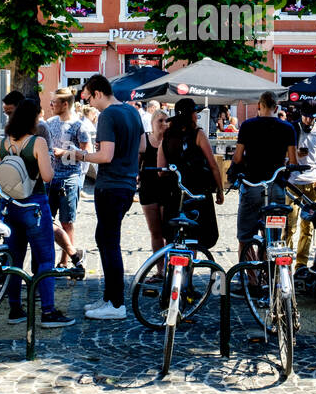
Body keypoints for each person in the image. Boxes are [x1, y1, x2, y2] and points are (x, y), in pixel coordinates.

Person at [73, 74, 145, 320]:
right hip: (125, 184)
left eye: (89, 98)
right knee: (103, 238)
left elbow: (105, 156)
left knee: (109, 242)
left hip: (111, 184)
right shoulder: (132, 112)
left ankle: (116, 304)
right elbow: (143, 146)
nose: (90, 104)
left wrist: (76, 155)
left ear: (98, 93)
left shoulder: (107, 115)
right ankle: (108, 298)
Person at [1, 98, 73, 328]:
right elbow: (48, 176)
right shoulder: (37, 142)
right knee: (45, 259)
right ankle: (48, 312)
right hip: (35, 205)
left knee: (15, 259)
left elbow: (0, 174)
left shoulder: (5, 143)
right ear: (33, 118)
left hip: (12, 206)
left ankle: (15, 309)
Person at [230, 91, 297, 265]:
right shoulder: (287, 128)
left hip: (252, 184)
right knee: (273, 237)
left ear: (259, 106)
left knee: (245, 236)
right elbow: (293, 161)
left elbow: (237, 158)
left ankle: (251, 280)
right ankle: (271, 276)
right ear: (276, 107)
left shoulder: (247, 125)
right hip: (275, 186)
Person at [158, 98, 224, 254]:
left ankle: (173, 272)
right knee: (195, 235)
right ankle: (189, 270)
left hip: (174, 191)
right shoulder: (198, 134)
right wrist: (220, 190)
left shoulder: (167, 136)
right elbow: (213, 164)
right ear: (191, 115)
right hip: (196, 191)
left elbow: (161, 170)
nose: (196, 116)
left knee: (174, 236)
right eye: (195, 113)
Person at [46, 88, 89, 269]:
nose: (51, 105)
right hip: (50, 178)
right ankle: (50, 259)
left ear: (65, 104)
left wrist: (65, 153)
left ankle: (67, 261)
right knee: (48, 220)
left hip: (70, 178)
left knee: (67, 221)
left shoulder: (79, 126)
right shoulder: (49, 123)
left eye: (54, 102)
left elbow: (86, 154)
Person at [286, 105, 316, 273]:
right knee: (290, 224)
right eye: (306, 116)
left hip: (313, 182)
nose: (308, 120)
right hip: (293, 181)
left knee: (308, 227)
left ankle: (301, 265)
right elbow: (283, 153)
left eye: (312, 117)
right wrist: (292, 156)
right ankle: (285, 263)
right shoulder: (292, 128)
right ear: (301, 115)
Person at [136, 109, 171, 276]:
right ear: (152, 123)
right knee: (155, 232)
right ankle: (160, 270)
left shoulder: (170, 141)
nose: (164, 124)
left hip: (167, 189)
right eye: (160, 120)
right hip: (148, 188)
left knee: (168, 231)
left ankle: (172, 269)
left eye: (166, 121)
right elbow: (137, 164)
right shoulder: (145, 140)